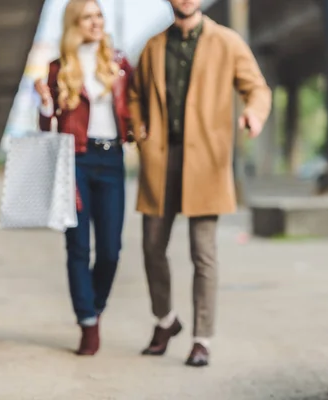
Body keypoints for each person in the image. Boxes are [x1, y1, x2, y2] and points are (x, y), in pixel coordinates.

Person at [128, 0, 272, 367]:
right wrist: (138, 127)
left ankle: (201, 339)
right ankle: (165, 321)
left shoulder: (227, 42)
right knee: (151, 247)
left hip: (206, 162)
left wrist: (254, 115)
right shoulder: (153, 46)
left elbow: (257, 88)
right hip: (161, 160)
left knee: (202, 253)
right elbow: (134, 95)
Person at [34, 0, 133, 356]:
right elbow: (47, 125)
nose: (96, 22)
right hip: (75, 159)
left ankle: (94, 305)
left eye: (99, 16)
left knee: (110, 249)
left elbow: (134, 110)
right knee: (78, 247)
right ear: (74, 23)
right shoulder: (59, 69)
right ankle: (87, 322)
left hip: (112, 159)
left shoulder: (120, 64)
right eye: (88, 16)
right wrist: (45, 104)